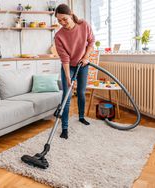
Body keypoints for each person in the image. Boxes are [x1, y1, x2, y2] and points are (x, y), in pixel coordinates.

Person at [54, 4, 95, 139]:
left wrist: (86, 57)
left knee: (82, 93)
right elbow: (64, 59)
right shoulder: (59, 36)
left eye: (64, 19)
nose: (62, 23)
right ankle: (64, 128)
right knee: (67, 95)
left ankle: (81, 117)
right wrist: (68, 77)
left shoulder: (84, 25)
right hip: (68, 66)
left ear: (71, 14)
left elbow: (91, 42)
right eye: (59, 21)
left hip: (82, 64)